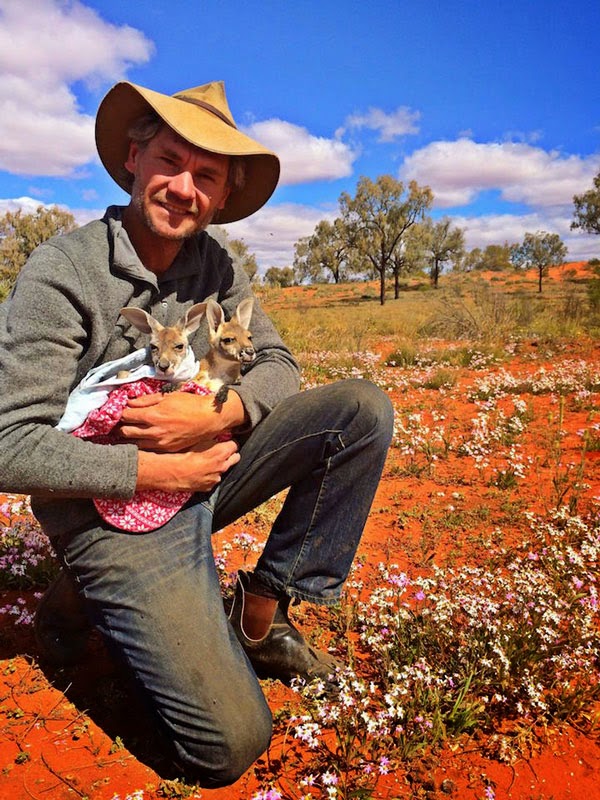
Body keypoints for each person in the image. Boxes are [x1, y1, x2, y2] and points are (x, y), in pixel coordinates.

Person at [0, 80, 394, 787]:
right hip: (106, 510)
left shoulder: (217, 267)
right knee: (232, 743)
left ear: (220, 196)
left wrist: (219, 414)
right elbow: (8, 442)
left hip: (208, 461)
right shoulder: (65, 272)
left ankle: (261, 616)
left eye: (205, 176)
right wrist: (155, 472)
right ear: (133, 158)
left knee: (359, 412)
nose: (184, 187)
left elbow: (278, 364)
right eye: (170, 161)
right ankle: (83, 593)